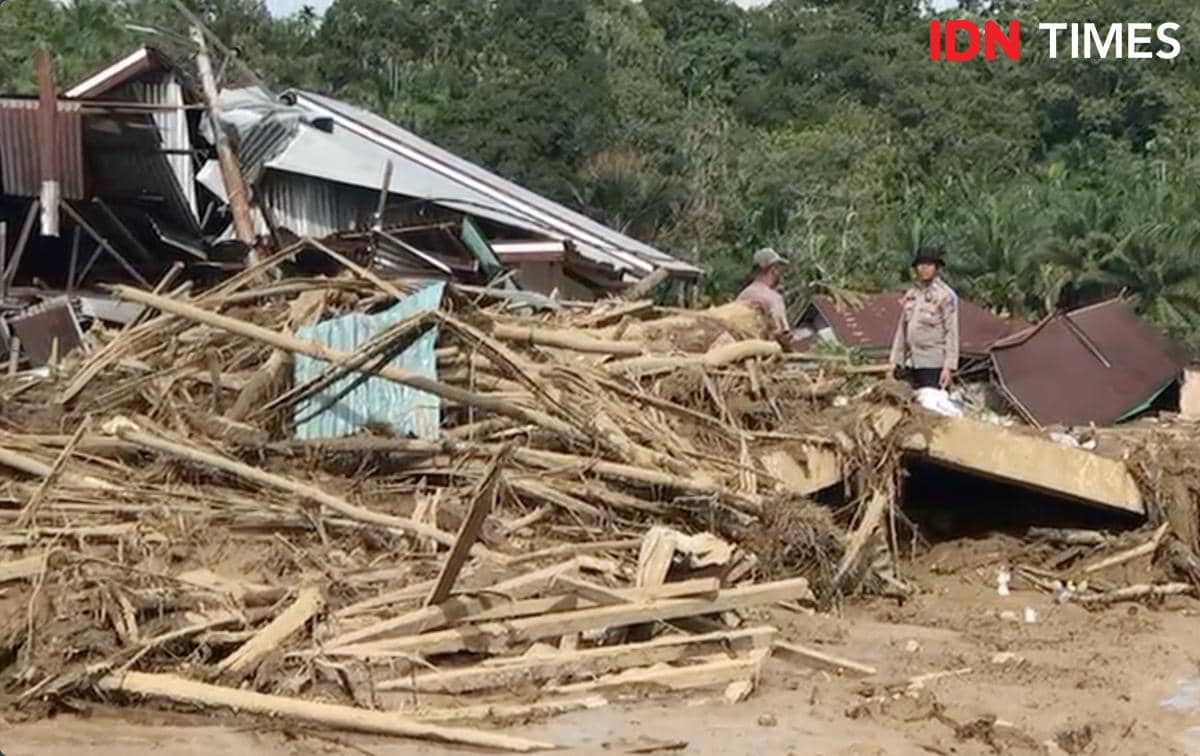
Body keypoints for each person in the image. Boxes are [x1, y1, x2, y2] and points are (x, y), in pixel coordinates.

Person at [888, 247, 959, 390]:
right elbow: (902, 330)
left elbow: (951, 333)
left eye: (929, 265)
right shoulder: (912, 293)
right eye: (921, 265)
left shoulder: (944, 295)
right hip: (911, 361)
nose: (924, 268)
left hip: (933, 364)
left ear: (936, 268)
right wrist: (894, 360)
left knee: (930, 405)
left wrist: (948, 367)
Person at [737, 247, 792, 347]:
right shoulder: (774, 299)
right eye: (778, 268)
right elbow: (783, 335)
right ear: (773, 270)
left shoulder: (742, 296)